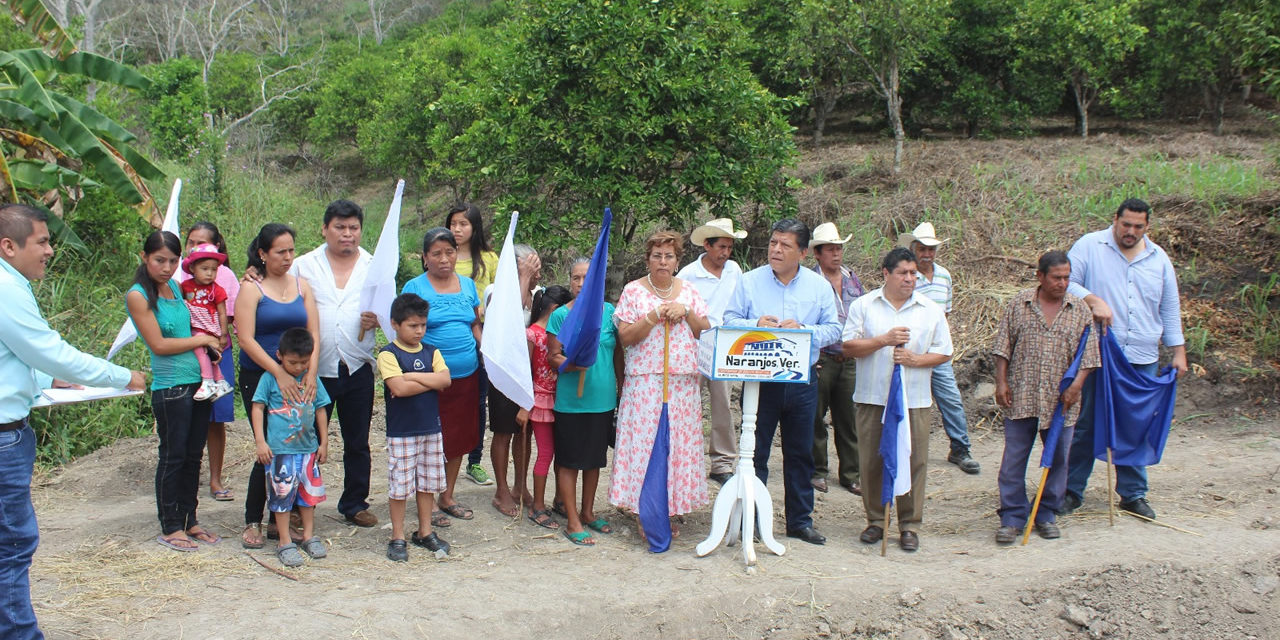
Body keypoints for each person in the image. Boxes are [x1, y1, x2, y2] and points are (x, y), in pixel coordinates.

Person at [0, 204, 145, 639]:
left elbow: (19, 356)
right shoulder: (6, 287)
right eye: (41, 242)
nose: (49, 251)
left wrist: (49, 376)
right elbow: (47, 348)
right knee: (12, 547)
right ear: (9, 246)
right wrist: (122, 376)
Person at [1063, 198, 1187, 520]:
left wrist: (1178, 352)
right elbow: (1065, 284)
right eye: (1125, 224)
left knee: (1136, 425)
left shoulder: (1158, 259)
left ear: (1147, 227)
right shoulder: (1090, 246)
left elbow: (1170, 308)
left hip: (1142, 355)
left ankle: (1133, 494)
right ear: (1114, 219)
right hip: (1098, 353)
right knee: (1086, 422)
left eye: (1138, 227)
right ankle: (1070, 491)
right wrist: (1092, 299)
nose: (1130, 232)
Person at [724, 219, 841, 546]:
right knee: (755, 452)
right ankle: (753, 520)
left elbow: (834, 329)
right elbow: (729, 321)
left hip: (803, 381)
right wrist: (755, 323)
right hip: (760, 383)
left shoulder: (819, 288)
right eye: (773, 242)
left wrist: (804, 329)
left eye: (785, 245)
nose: (775, 249)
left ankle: (800, 522)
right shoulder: (749, 282)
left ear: (802, 253)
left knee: (801, 453)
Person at [842, 247, 953, 552]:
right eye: (903, 273)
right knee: (872, 460)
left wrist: (915, 360)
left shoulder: (929, 309)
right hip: (872, 397)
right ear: (886, 274)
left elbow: (944, 351)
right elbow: (848, 346)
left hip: (913, 400)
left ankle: (909, 524)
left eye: (913, 273)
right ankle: (877, 521)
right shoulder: (864, 306)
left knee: (913, 460)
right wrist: (883, 340)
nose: (909, 279)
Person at [125, 231, 226, 552]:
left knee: (194, 455)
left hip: (198, 383)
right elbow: (159, 344)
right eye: (159, 260)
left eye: (172, 260)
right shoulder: (139, 295)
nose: (166, 267)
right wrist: (204, 340)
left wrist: (211, 345)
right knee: (173, 455)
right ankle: (170, 525)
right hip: (170, 388)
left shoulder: (176, 289)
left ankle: (190, 519)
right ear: (145, 257)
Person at [611, 231, 712, 542]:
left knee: (676, 446)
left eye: (669, 256)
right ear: (648, 259)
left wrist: (687, 312)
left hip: (682, 381)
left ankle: (669, 506)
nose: (663, 261)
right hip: (646, 381)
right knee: (646, 445)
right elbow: (625, 337)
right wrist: (654, 315)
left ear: (677, 261)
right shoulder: (633, 291)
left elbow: (704, 331)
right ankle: (645, 510)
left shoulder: (690, 291)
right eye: (657, 256)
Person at [992, 251, 1099, 544]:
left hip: (1061, 400)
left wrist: (1076, 386)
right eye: (1056, 278)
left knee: (1059, 459)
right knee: (1014, 459)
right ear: (1040, 276)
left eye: (1067, 278)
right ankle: (1013, 517)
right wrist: (1001, 382)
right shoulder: (1019, 304)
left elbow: (1089, 357)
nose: (1062, 283)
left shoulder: (1079, 310)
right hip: (1021, 394)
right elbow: (1003, 347)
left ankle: (1046, 513)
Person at [290, 200, 380, 528]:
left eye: (353, 227)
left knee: (357, 441)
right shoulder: (303, 265)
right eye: (340, 227)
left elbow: (391, 310)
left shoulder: (374, 265)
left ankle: (354, 503)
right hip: (315, 367)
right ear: (325, 228)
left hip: (356, 364)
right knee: (307, 438)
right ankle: (300, 504)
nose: (347, 234)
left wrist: (379, 319)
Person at [235, 224, 320, 549]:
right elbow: (245, 338)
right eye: (280, 252)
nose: (287, 257)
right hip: (261, 377)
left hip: (298, 378)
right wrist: (278, 373)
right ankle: (252, 519)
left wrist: (309, 373)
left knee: (294, 445)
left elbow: (314, 332)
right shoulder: (252, 289)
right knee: (270, 447)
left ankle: (279, 519)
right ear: (262, 254)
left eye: (290, 251)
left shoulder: (302, 286)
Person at [402, 227, 483, 526]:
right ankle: (428, 500)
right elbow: (406, 330)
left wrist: (483, 345)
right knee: (431, 439)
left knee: (459, 436)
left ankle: (446, 496)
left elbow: (474, 323)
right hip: (429, 379)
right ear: (425, 258)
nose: (444, 258)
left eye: (450, 252)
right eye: (436, 253)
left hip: (467, 374)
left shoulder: (468, 285)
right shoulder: (415, 287)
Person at [547, 257, 621, 546]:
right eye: (576, 278)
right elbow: (553, 357)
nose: (580, 284)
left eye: (586, 278)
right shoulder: (561, 316)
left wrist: (622, 387)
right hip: (571, 402)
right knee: (569, 461)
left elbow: (617, 354)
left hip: (602, 399)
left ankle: (589, 511)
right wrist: (573, 364)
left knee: (594, 460)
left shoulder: (609, 312)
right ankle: (573, 519)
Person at [900, 222, 980, 475]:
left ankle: (960, 448)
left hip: (937, 352)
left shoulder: (944, 275)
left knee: (950, 399)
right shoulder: (907, 276)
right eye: (922, 249)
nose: (927, 254)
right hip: (912, 350)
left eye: (931, 249)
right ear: (913, 249)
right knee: (908, 400)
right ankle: (904, 449)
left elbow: (945, 313)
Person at [378, 293, 453, 561]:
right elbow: (397, 387)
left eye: (422, 325)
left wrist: (411, 376)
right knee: (400, 485)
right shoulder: (388, 354)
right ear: (395, 324)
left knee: (428, 484)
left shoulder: (432, 351)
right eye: (412, 325)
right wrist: (427, 380)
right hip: (402, 432)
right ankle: (397, 535)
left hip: (431, 428)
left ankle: (424, 532)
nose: (419, 330)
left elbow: (445, 380)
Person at [250, 327, 331, 567]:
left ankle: (308, 535)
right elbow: (257, 407)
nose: (298, 368)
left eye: (304, 362)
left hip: (307, 449)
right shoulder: (270, 379)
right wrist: (260, 441)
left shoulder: (310, 378)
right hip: (279, 451)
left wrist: (324, 441)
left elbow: (320, 408)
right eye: (293, 362)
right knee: (281, 496)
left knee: (308, 496)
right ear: (279, 356)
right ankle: (284, 540)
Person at [675, 218, 745, 486]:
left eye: (729, 247)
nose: (725, 253)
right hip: (694, 345)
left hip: (725, 345)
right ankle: (685, 460)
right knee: (689, 405)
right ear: (707, 245)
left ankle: (722, 463)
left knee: (722, 405)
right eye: (721, 247)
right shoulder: (688, 275)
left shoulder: (734, 270)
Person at [181, 222, 239, 502]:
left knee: (215, 418)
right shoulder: (178, 275)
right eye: (191, 241)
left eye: (202, 242)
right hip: (187, 349)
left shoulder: (225, 276)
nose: (194, 247)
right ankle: (185, 476)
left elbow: (234, 313)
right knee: (187, 413)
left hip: (218, 350)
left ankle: (215, 478)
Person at [807, 222, 865, 495]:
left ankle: (851, 473)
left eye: (838, 248)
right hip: (822, 357)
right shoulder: (809, 282)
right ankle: (818, 471)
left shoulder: (852, 278)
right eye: (830, 249)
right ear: (817, 253)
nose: (836, 253)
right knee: (815, 418)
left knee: (848, 418)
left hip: (849, 357)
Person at [487, 244, 544, 520]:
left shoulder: (539, 295)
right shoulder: (496, 291)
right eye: (530, 267)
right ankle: (501, 489)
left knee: (526, 431)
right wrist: (522, 278)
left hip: (529, 372)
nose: (536, 273)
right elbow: (509, 318)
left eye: (538, 268)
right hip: (503, 372)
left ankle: (520, 486)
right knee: (503, 431)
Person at [445, 203, 498, 487]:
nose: (457, 229)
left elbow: (498, 295)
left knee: (478, 400)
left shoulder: (488, 258)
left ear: (474, 227)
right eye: (453, 223)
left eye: (463, 223)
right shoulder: (443, 255)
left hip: (482, 333)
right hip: (448, 334)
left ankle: (474, 461)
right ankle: (442, 455)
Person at [518, 285, 571, 530]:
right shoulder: (533, 334)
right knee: (546, 453)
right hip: (540, 400)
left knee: (562, 453)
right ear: (555, 309)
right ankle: (537, 505)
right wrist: (524, 405)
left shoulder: (557, 334)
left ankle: (560, 500)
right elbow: (526, 372)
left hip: (562, 400)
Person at [179, 243, 233, 402]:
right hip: (196, 323)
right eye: (205, 269)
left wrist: (223, 334)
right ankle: (221, 381)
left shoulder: (217, 290)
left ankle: (208, 380)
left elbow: (222, 312)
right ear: (193, 268)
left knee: (198, 346)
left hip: (207, 326)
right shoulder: (185, 287)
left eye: (214, 269)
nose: (210, 273)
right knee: (210, 354)